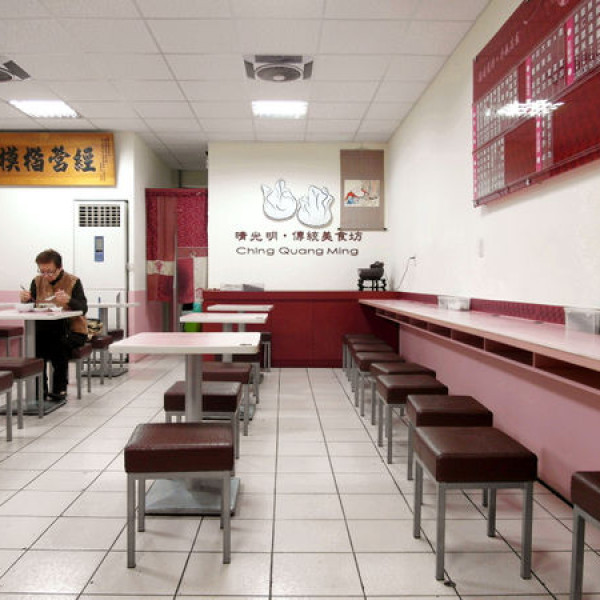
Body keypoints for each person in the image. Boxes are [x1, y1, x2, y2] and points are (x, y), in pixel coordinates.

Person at [20, 249, 88, 401]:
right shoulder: (37, 281)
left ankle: (59, 389)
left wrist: (69, 300)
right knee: (35, 346)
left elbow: (83, 308)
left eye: (50, 272)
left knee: (59, 345)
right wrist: (26, 300)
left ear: (60, 268)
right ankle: (39, 390)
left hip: (73, 330)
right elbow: (32, 305)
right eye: (42, 271)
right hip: (46, 330)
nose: (46, 275)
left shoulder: (73, 281)